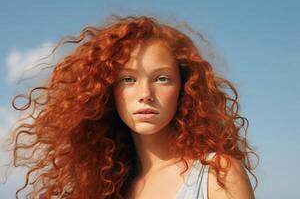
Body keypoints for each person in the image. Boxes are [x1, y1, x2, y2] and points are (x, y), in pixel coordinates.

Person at [6, 15, 258, 199]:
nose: (145, 94)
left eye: (162, 78)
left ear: (184, 88)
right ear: (107, 91)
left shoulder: (216, 175)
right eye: (128, 79)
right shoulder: (104, 188)